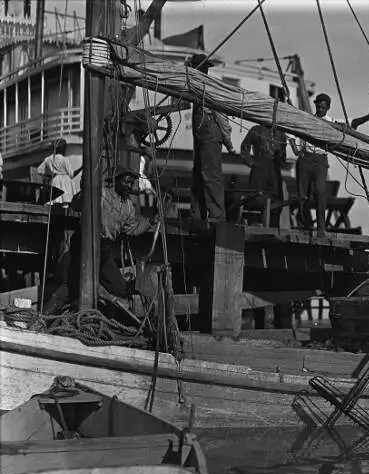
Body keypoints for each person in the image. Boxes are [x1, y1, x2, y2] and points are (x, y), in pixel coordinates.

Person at [43, 162, 160, 313]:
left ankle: (105, 314)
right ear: (116, 180)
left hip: (104, 248)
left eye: (131, 182)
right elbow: (76, 205)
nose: (129, 185)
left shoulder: (128, 207)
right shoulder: (100, 193)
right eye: (126, 181)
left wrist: (150, 221)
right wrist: (83, 192)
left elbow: (132, 229)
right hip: (84, 243)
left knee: (119, 288)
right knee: (75, 286)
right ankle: (46, 315)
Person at [189, 53, 235, 221]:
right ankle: (197, 214)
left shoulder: (209, 87)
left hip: (209, 132)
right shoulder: (195, 85)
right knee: (199, 173)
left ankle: (216, 215)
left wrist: (228, 141)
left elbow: (221, 116)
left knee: (210, 174)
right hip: (202, 134)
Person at [291, 93, 343, 235]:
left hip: (320, 161)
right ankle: (304, 225)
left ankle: (321, 227)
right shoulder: (308, 119)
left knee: (320, 192)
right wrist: (295, 149)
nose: (320, 108)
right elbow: (291, 132)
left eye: (323, 106)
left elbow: (349, 126)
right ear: (315, 105)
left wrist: (368, 116)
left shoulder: (332, 122)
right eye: (318, 105)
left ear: (328, 107)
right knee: (302, 195)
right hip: (305, 159)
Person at [239, 118, 287, 226]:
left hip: (275, 169)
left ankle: (273, 227)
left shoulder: (281, 133)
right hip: (259, 167)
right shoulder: (256, 129)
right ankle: (254, 224)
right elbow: (244, 148)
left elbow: (284, 153)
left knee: (277, 199)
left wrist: (281, 160)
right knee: (255, 197)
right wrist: (252, 163)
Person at [37, 138, 78, 206]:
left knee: (54, 202)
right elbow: (72, 174)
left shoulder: (48, 159)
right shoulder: (65, 160)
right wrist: (82, 168)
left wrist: (49, 175)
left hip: (55, 181)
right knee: (65, 203)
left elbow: (39, 170)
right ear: (64, 149)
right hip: (66, 183)